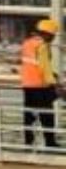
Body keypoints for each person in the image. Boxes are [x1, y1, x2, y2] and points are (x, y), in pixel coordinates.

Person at [21, 18, 63, 148]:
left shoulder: (27, 43)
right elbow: (44, 67)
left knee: (29, 116)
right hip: (41, 86)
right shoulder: (42, 45)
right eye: (53, 35)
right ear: (47, 33)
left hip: (28, 85)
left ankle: (28, 142)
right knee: (47, 115)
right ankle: (50, 142)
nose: (53, 38)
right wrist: (55, 83)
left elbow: (33, 65)